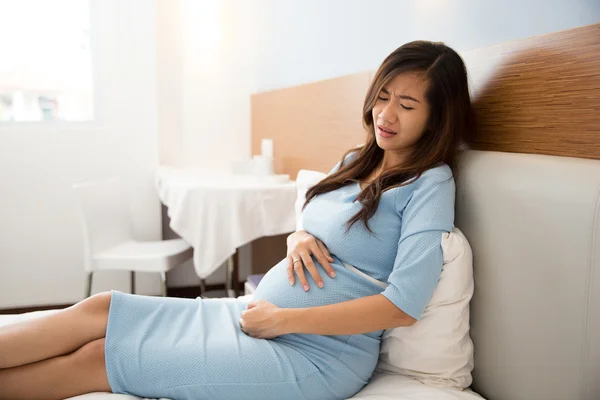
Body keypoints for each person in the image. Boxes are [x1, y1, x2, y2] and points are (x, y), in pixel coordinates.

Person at [0, 40, 473, 400]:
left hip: (318, 354)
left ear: (437, 117)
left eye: (407, 106)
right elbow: (311, 218)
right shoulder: (355, 159)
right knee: (101, 308)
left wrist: (286, 320)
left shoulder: (430, 184)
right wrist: (298, 236)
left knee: (96, 360)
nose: (385, 114)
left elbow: (403, 306)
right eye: (383, 96)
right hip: (258, 319)